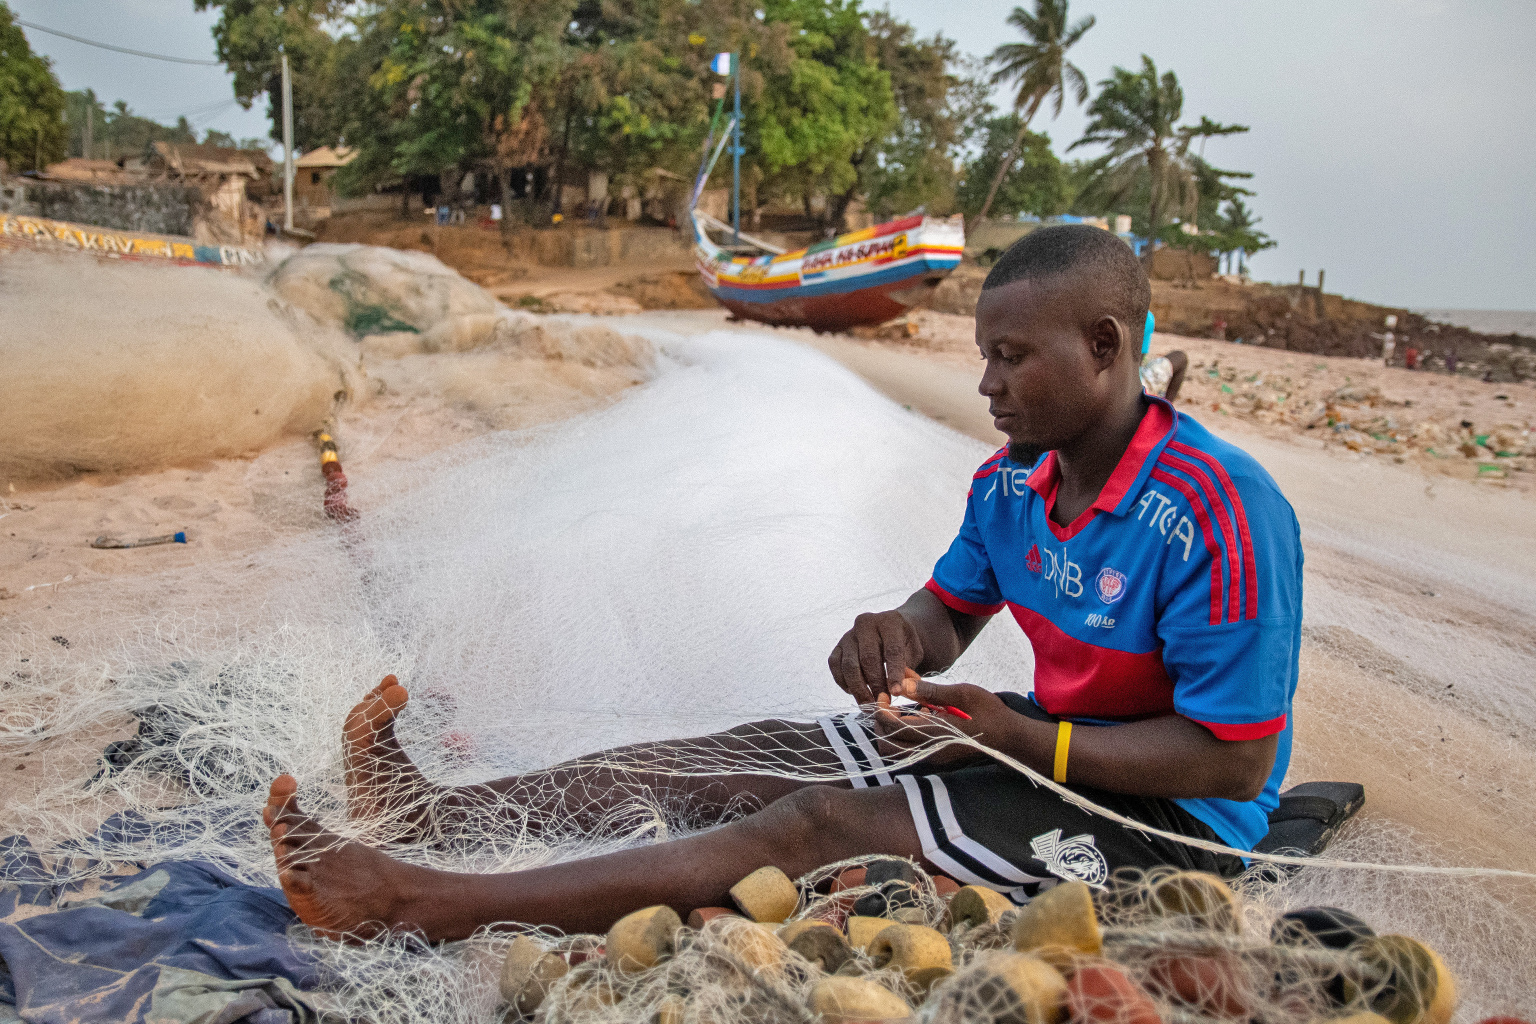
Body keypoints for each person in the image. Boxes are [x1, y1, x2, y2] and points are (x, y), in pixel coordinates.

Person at [263, 225, 1303, 942]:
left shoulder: (1219, 510)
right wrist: (894, 635)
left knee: (811, 826)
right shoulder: (1015, 484)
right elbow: (950, 610)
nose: (985, 384)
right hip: (1045, 749)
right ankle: (429, 809)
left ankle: (419, 903)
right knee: (737, 753)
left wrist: (1013, 736)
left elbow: (1239, 762)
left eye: (1013, 357)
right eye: (985, 354)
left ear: (1106, 347)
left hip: (1170, 823)